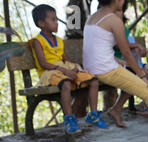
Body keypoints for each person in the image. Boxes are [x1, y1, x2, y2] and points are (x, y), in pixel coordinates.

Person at [83, 0, 148, 128]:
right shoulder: (114, 20)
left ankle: (115, 110)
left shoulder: (91, 17)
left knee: (135, 83)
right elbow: (126, 53)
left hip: (90, 68)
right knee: (147, 91)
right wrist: (143, 77)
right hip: (105, 70)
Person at [30, 4, 107, 134]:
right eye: (53, 20)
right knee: (66, 84)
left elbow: (66, 59)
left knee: (93, 80)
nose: (56, 23)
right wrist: (65, 70)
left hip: (63, 69)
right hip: (49, 73)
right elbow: (43, 63)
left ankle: (93, 114)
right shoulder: (37, 41)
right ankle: (69, 119)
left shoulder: (59, 40)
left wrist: (74, 68)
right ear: (41, 23)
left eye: (56, 19)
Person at [112, 2, 148, 117]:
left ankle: (146, 101)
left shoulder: (126, 30)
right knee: (145, 74)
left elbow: (135, 48)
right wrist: (136, 46)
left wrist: (141, 50)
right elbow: (118, 45)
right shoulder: (113, 30)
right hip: (126, 64)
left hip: (138, 62)